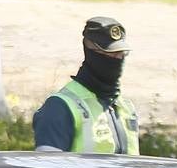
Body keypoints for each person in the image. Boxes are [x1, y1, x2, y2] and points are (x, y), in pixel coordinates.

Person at [33, 16, 139, 154]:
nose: (118, 60)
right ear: (91, 53)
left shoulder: (125, 107)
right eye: (110, 55)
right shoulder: (60, 107)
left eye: (121, 54)